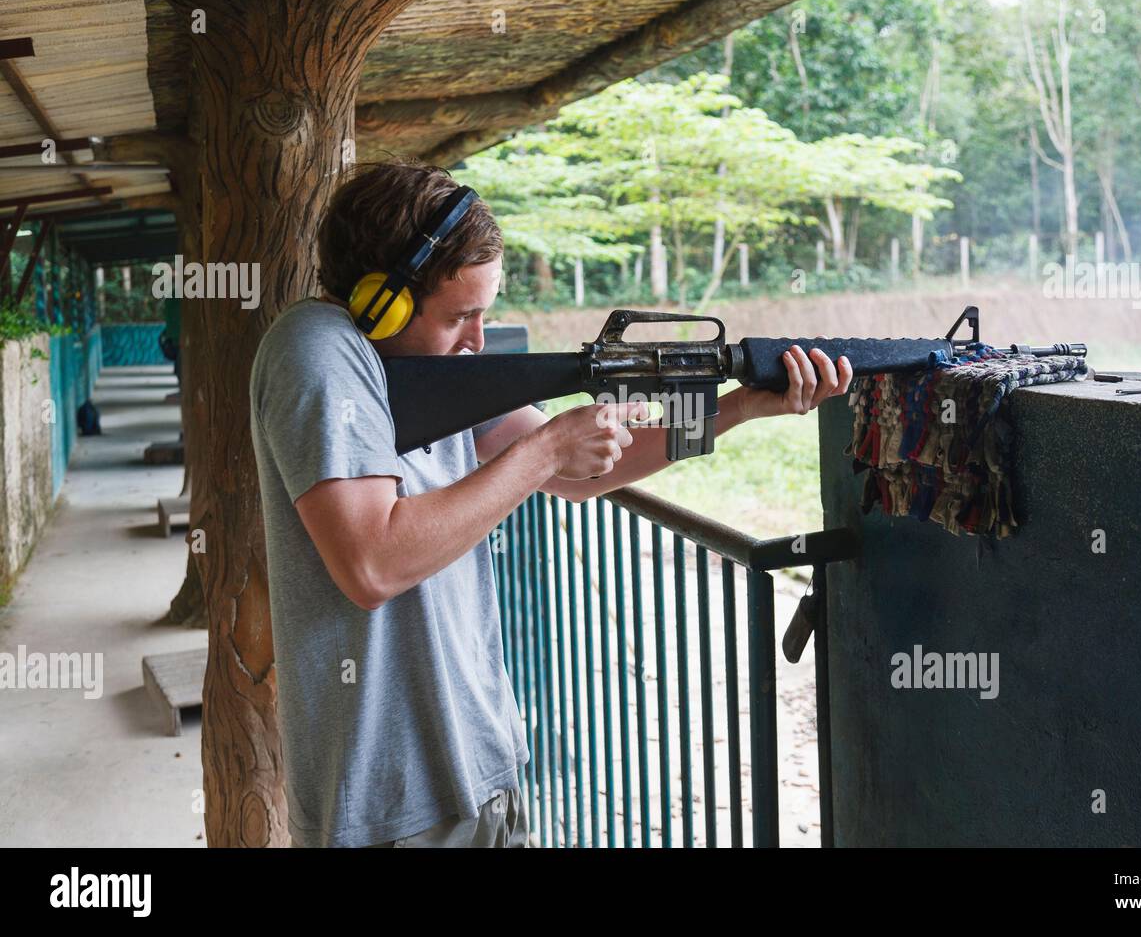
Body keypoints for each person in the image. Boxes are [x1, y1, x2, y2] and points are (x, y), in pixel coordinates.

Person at [249, 161, 853, 848]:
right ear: (378, 301)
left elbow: (587, 474)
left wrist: (737, 409)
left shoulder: (418, 370)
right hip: (392, 800)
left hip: (478, 765)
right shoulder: (319, 351)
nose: (477, 339)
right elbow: (372, 565)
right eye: (461, 316)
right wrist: (545, 450)